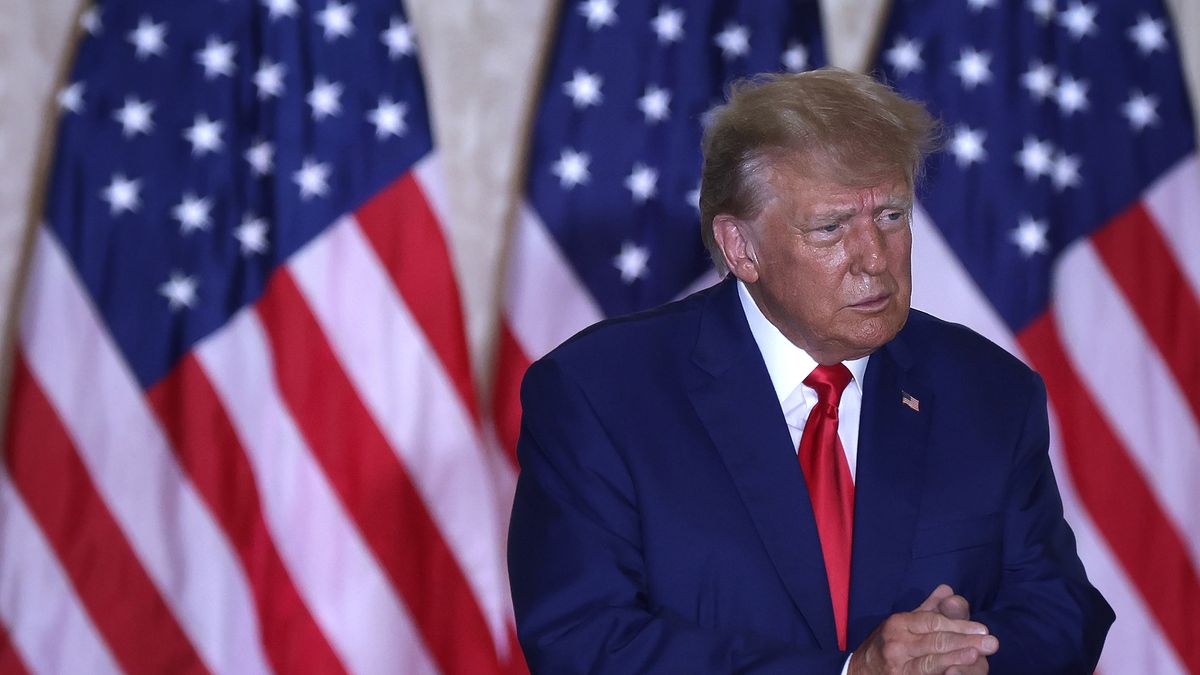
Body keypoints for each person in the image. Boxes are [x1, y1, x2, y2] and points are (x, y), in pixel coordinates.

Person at [507, 68, 1113, 674]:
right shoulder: (600, 393)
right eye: (831, 227)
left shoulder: (988, 389)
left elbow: (1060, 609)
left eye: (892, 216)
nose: (875, 259)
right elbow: (583, 642)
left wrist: (972, 661)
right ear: (742, 247)